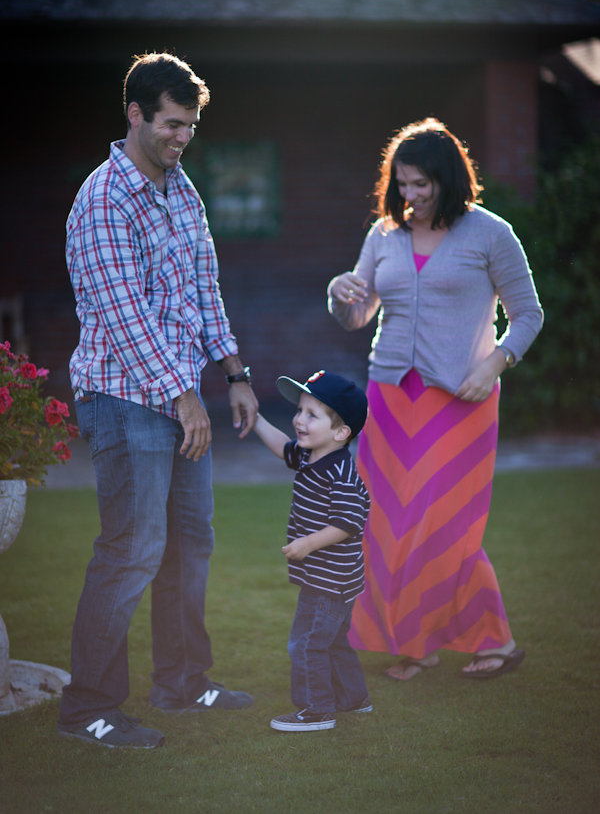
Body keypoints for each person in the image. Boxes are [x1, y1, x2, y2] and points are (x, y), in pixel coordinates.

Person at [57, 53, 259, 748]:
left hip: (180, 396)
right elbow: (124, 315)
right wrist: (183, 397)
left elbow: (204, 286)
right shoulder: (103, 200)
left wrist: (234, 371)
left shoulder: (181, 189)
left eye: (191, 125)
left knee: (190, 542)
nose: (183, 137)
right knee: (132, 549)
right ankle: (88, 709)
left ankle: (183, 683)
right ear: (135, 114)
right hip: (123, 398)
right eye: (173, 124)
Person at [327, 118, 543, 682]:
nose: (411, 195)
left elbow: (528, 313)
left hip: (462, 401)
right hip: (389, 400)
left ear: (448, 178)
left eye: (421, 183)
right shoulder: (384, 235)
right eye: (402, 183)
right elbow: (357, 315)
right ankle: (415, 645)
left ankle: (497, 643)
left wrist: (493, 364)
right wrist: (339, 293)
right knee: (386, 527)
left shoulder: (490, 233)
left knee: (443, 527)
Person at [252, 370, 371, 731]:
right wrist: (255, 419)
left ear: (341, 433)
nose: (299, 420)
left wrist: (308, 543)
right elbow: (282, 446)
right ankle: (354, 699)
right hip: (331, 578)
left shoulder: (340, 473)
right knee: (331, 641)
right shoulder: (310, 455)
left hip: (330, 581)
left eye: (311, 415)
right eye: (299, 411)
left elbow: (348, 523)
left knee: (305, 644)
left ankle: (316, 711)